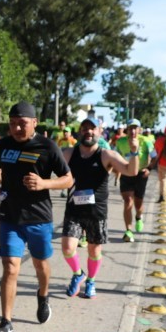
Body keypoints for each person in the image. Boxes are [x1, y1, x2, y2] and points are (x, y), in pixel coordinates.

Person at [0, 102, 73, 332]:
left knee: (40, 265)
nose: (16, 128)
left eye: (22, 123)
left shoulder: (47, 146)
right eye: (12, 123)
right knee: (10, 266)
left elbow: (68, 179)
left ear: (34, 123)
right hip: (10, 217)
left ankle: (43, 296)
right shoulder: (2, 145)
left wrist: (44, 183)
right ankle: (6, 322)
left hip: (39, 218)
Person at [62, 117, 139, 299]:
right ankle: (78, 274)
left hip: (96, 212)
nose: (88, 132)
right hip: (74, 210)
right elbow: (48, 164)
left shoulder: (106, 155)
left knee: (94, 250)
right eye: (84, 128)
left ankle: (91, 280)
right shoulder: (69, 153)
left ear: (99, 132)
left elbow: (131, 171)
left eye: (92, 128)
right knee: (67, 248)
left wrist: (134, 152)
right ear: (80, 132)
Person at [114, 119, 156, 242]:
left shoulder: (146, 141)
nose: (133, 131)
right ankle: (128, 230)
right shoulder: (120, 142)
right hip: (126, 173)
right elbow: (115, 156)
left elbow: (154, 157)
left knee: (138, 203)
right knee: (128, 201)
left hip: (140, 174)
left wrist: (149, 168)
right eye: (130, 128)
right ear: (127, 129)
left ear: (139, 130)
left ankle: (139, 216)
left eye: (135, 128)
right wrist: (116, 169)